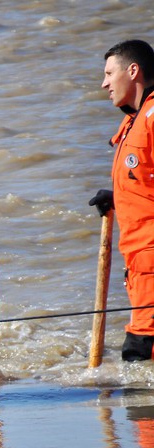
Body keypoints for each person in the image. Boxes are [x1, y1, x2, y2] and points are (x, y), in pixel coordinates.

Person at [90, 39, 154, 361]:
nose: (104, 84)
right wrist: (119, 197)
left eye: (109, 73)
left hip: (152, 260)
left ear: (133, 70)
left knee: (139, 352)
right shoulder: (133, 119)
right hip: (139, 265)